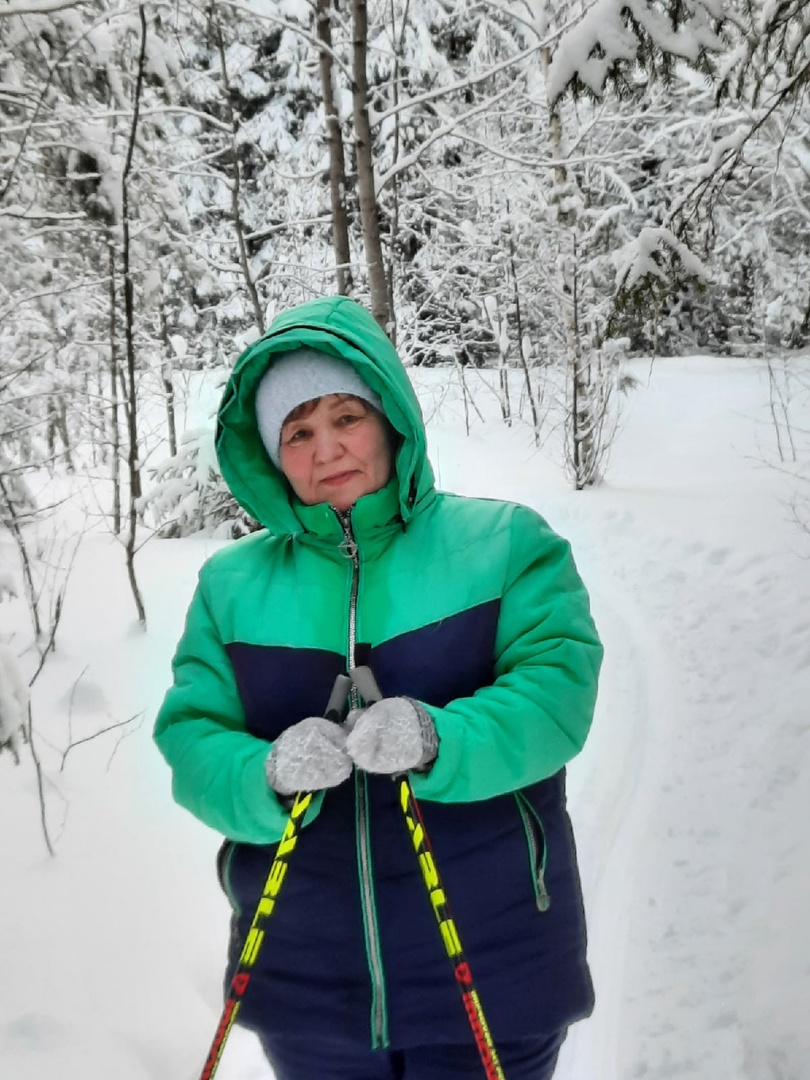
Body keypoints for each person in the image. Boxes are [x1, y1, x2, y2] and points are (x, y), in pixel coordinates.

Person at [154, 295, 603, 1080]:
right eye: (297, 432)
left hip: (494, 967)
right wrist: (263, 771)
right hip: (306, 982)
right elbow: (192, 739)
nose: (326, 449)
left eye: (346, 416)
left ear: (390, 418)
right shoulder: (232, 587)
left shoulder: (504, 545)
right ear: (272, 455)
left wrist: (441, 737)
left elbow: (555, 695)